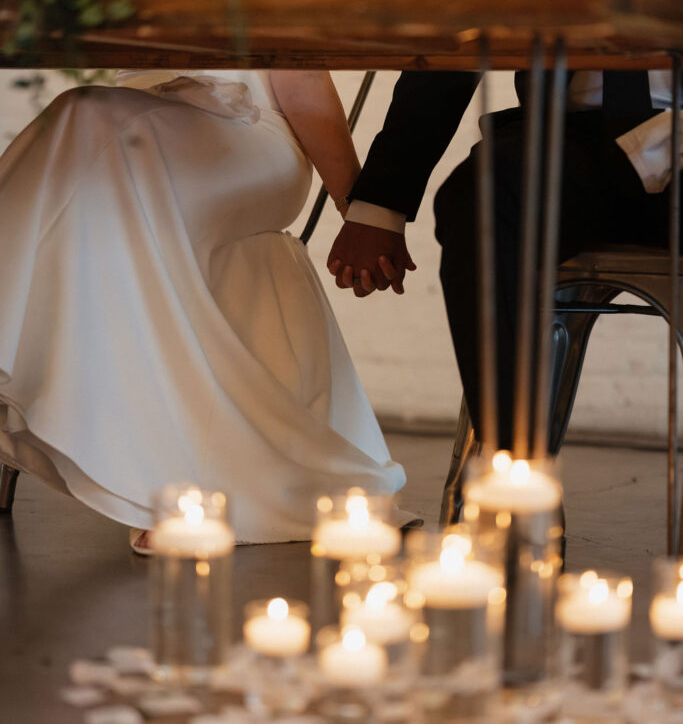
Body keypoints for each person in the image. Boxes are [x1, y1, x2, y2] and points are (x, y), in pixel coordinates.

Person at [0, 69, 405, 548]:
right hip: (133, 114)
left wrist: (360, 211)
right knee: (79, 121)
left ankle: (180, 480)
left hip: (253, 131)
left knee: (85, 118)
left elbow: (301, 78)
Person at [327, 66, 681, 454]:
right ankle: (513, 473)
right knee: (477, 201)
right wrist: (380, 206)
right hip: (565, 134)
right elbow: (457, 37)